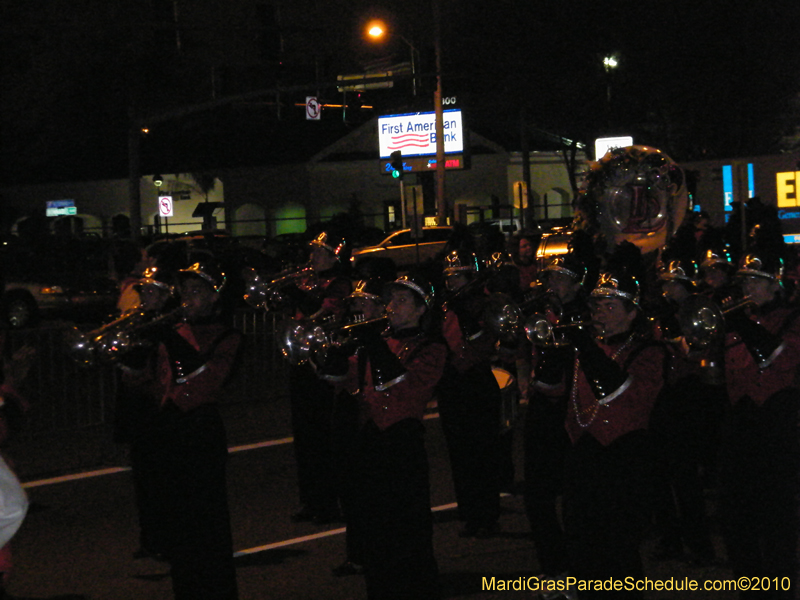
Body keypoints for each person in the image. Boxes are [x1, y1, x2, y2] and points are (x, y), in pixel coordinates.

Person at [121, 259, 242, 600]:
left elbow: (206, 379)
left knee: (209, 525)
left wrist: (166, 339)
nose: (188, 297)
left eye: (197, 291)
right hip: (168, 431)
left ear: (214, 297)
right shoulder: (173, 334)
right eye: (185, 291)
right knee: (178, 526)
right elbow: (151, 383)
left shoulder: (228, 335)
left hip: (201, 432)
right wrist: (130, 362)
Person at [322, 272, 446, 599]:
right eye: (392, 299)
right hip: (371, 441)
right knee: (374, 526)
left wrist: (372, 341)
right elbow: (343, 379)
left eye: (403, 300)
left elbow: (404, 387)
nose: (393, 306)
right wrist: (334, 350)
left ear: (421, 309)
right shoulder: (378, 341)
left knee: (409, 527)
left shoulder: (432, 347)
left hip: (403, 442)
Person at [561, 269, 666, 599]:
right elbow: (549, 390)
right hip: (584, 453)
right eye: (597, 306)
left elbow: (616, 393)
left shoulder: (650, 352)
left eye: (610, 306)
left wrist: (583, 346)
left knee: (619, 550)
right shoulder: (585, 349)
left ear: (632, 313)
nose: (600, 313)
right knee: (581, 542)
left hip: (626, 457)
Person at [718, 251, 799, 599]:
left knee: (777, 517)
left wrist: (743, 325)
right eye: (745, 282)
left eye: (755, 281)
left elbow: (780, 358)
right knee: (737, 517)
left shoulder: (793, 317)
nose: (748, 288)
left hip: (780, 423)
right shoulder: (740, 320)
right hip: (742, 423)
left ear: (774, 284)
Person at [648, 258, 723, 566]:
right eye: (665, 283)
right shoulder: (660, 312)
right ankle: (670, 539)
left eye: (673, 283)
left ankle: (699, 544)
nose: (668, 289)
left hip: (689, 396)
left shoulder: (700, 310)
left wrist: (678, 340)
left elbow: (697, 351)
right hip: (664, 395)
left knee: (685, 476)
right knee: (661, 475)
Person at [522, 253, 589, 581]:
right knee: (538, 494)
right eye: (551, 278)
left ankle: (577, 562)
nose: (552, 284)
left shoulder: (586, 315)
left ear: (576, 284)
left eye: (560, 278)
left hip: (572, 408)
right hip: (542, 407)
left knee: (575, 496)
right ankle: (553, 563)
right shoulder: (542, 313)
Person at [285, 232, 352, 524]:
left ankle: (329, 502)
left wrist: (296, 293)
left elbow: (325, 314)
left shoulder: (341, 284)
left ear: (334, 256)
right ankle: (310, 499)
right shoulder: (312, 280)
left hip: (325, 364)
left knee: (324, 436)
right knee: (304, 435)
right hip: (302, 360)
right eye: (312, 251)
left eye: (319, 253)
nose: (312, 258)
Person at [437, 250, 502, 538]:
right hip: (452, 381)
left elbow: (484, 345)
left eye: (458, 277)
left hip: (477, 380)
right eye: (449, 278)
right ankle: (469, 512)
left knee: (483, 452)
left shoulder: (487, 304)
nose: (452, 284)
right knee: (459, 452)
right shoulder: (445, 306)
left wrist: (465, 313)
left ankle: (487, 514)